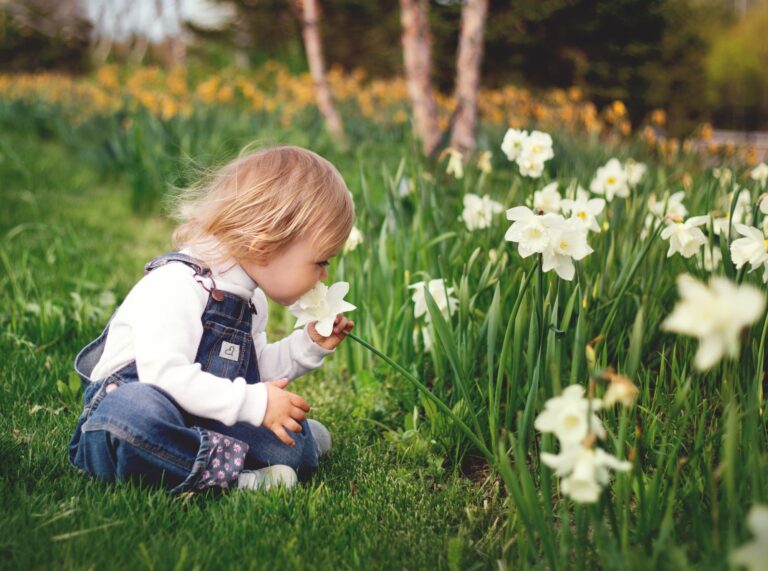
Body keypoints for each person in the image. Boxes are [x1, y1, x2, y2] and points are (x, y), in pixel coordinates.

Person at [67, 145, 355, 494]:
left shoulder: (250, 300)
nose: (324, 275)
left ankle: (276, 448)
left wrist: (308, 345)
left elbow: (253, 372)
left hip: (199, 413)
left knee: (291, 443)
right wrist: (255, 404)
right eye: (320, 262)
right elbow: (165, 377)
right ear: (265, 244)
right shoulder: (178, 284)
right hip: (136, 413)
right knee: (132, 416)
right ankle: (236, 479)